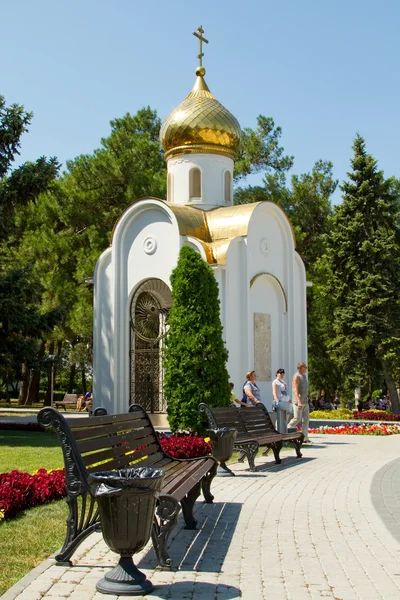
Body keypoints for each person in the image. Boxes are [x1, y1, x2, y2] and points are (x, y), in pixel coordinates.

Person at [287, 362, 311, 443]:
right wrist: (299, 402)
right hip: (298, 402)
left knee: (306, 419)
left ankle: (305, 438)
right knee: (297, 418)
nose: (306, 369)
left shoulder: (304, 376)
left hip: (305, 401)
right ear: (300, 368)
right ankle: (287, 430)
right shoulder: (296, 376)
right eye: (305, 367)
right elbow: (295, 390)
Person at [272, 368, 293, 433]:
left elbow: (286, 391)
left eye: (283, 373)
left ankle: (284, 426)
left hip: (286, 401)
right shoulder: (275, 382)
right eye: (280, 373)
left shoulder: (284, 382)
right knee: (280, 416)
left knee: (288, 413)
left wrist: (289, 399)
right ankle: (277, 428)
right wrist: (277, 400)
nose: (282, 375)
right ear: (277, 374)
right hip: (280, 401)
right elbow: (274, 392)